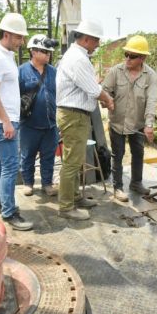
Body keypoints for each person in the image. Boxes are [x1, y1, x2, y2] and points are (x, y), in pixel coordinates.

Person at [56, 19, 114, 220]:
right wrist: (108, 99)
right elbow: (92, 89)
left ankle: (74, 197)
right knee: (72, 162)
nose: (98, 45)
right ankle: (66, 207)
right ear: (87, 39)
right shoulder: (78, 59)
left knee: (76, 159)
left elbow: (87, 86)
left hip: (76, 114)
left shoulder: (77, 56)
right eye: (96, 41)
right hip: (74, 115)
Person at [0, 12, 33, 231]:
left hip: (5, 119)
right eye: (19, 38)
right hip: (1, 121)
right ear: (7, 34)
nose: (22, 42)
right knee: (11, 166)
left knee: (1, 162)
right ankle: (9, 212)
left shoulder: (5, 55)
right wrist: (5, 122)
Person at [102, 35, 157, 202]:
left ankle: (136, 183)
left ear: (143, 58)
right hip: (117, 122)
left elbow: (152, 100)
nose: (127, 58)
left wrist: (149, 124)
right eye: (126, 54)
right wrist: (107, 101)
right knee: (118, 155)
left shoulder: (150, 75)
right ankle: (118, 188)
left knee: (138, 153)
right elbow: (104, 92)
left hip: (138, 123)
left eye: (132, 56)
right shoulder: (115, 72)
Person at [19, 34, 58, 197]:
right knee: (27, 155)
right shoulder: (21, 71)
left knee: (48, 156)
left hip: (50, 124)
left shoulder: (54, 72)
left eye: (49, 52)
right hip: (29, 125)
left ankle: (47, 183)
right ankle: (28, 183)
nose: (48, 54)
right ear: (33, 52)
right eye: (44, 51)